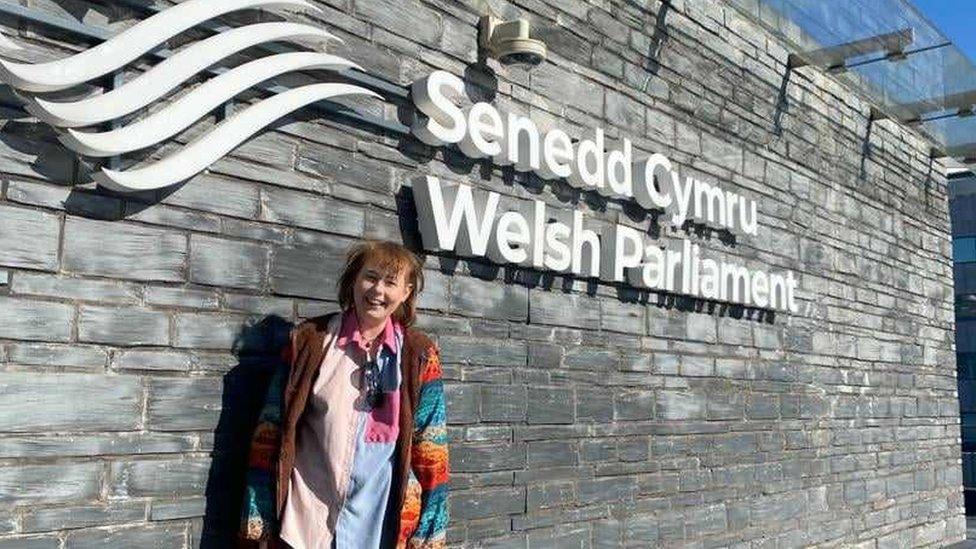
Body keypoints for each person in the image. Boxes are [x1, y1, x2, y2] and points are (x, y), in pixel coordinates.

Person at [239, 240, 449, 548]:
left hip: (379, 527)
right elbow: (270, 430)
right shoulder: (310, 342)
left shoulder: (418, 355)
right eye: (371, 277)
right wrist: (259, 510)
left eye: (391, 282)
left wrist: (431, 526)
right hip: (306, 522)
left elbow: (431, 446)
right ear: (353, 280)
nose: (378, 290)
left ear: (406, 293)